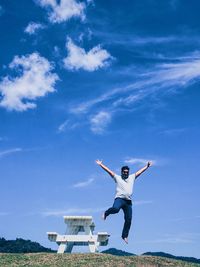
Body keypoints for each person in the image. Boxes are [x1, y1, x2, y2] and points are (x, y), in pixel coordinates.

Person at [95, 159, 152, 244]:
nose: (126, 173)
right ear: (121, 172)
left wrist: (147, 166)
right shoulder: (117, 178)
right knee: (115, 209)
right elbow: (109, 171)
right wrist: (101, 164)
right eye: (124, 172)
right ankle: (106, 213)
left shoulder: (132, 177)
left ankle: (124, 236)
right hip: (119, 199)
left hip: (128, 202)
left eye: (127, 172)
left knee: (128, 219)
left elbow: (140, 172)